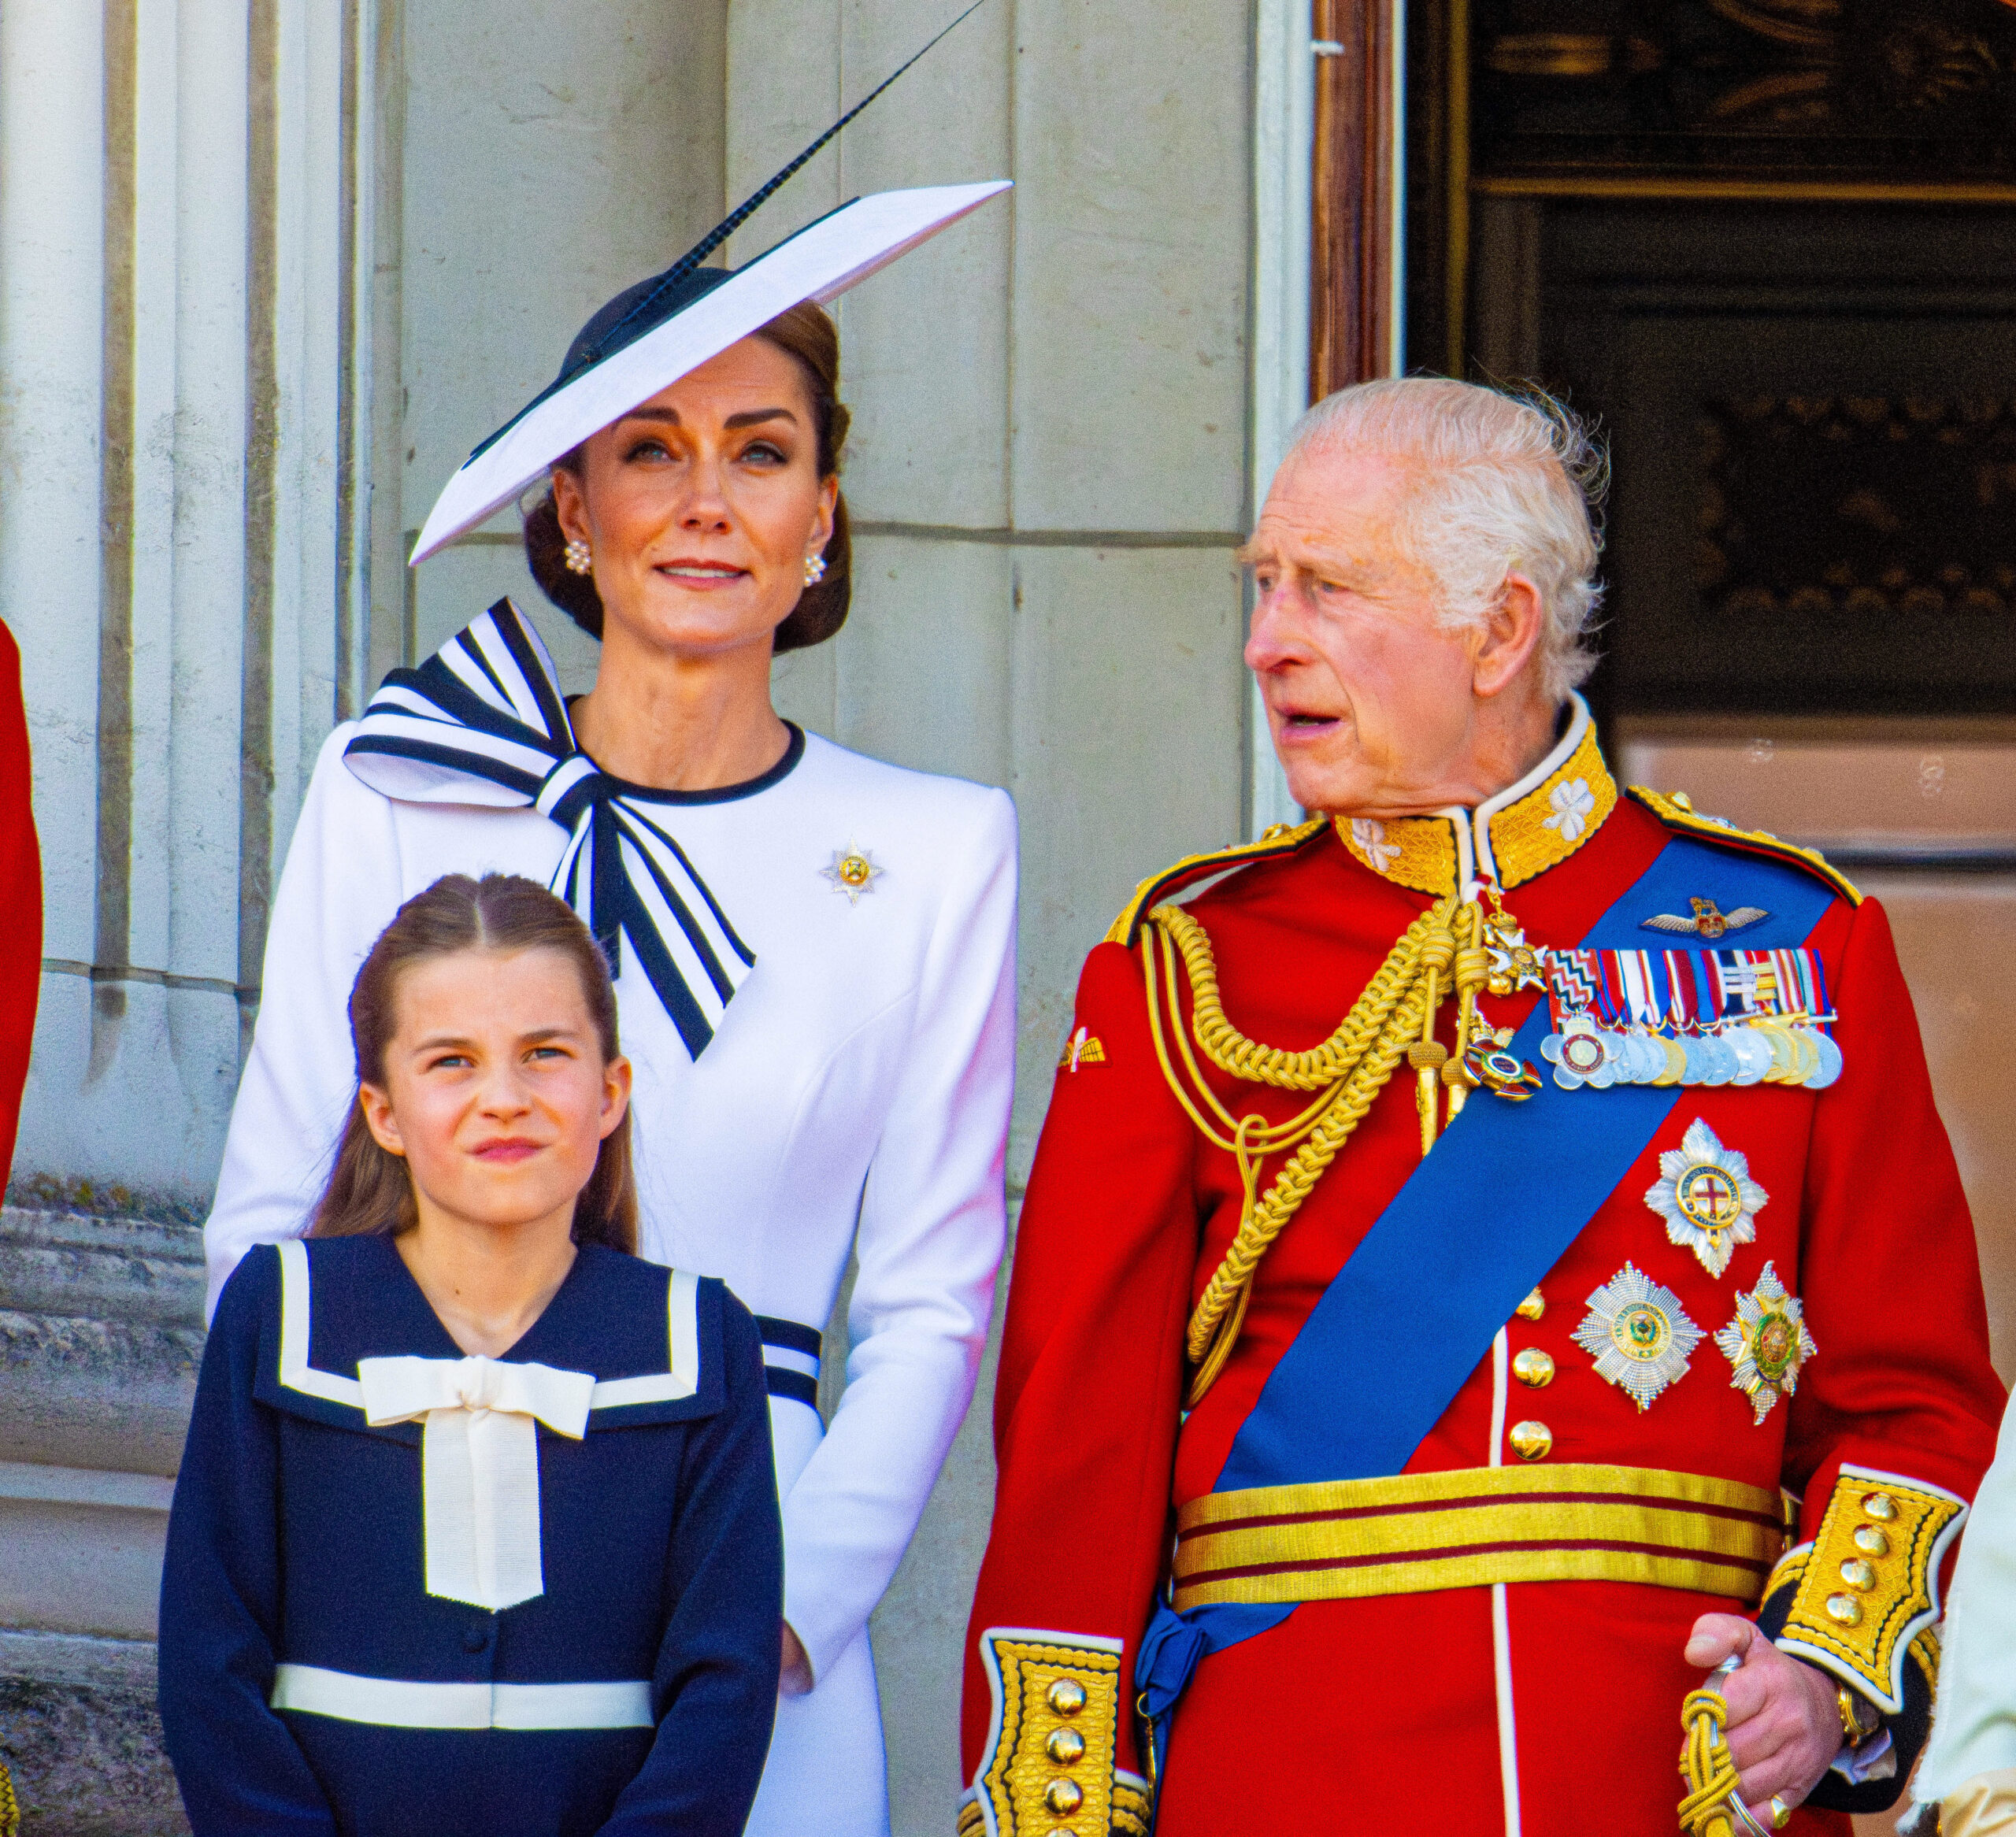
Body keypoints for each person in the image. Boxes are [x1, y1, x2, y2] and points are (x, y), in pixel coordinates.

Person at [958, 378, 2004, 1837]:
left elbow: (1916, 1394)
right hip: (1287, 1775)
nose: (1268, 643)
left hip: (1667, 1779)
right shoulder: (1185, 964)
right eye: (1264, 586)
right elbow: (1078, 1466)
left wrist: (1825, 1672)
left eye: (1327, 589)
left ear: (1501, 629)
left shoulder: (1794, 944)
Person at [202, 180, 1017, 1837]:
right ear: (568, 506)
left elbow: (934, 1293)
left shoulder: (939, 847)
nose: (706, 500)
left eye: (761, 450)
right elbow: (267, 1216)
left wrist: (792, 1607)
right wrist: (328, 1525)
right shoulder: (402, 784)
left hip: (748, 1568)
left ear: (824, 515)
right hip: (406, 1531)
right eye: (651, 449)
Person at [159, 873, 783, 1835]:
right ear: (384, 1110)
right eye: (452, 1060)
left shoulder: (701, 1339)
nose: (505, 1098)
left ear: (611, 1090)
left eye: (546, 1054)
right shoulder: (280, 1313)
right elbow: (210, 1659)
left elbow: (724, 1689)